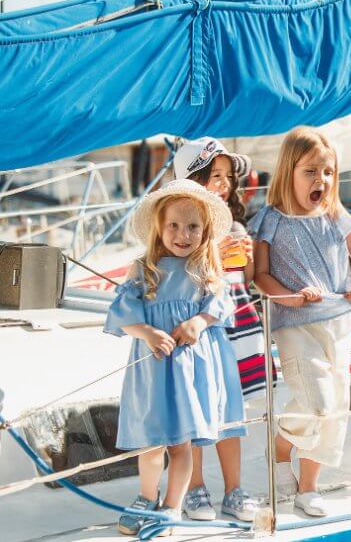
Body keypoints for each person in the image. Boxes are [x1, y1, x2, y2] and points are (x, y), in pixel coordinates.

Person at [250, 126, 351, 516]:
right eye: (310, 171)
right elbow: (260, 275)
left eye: (328, 172)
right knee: (316, 401)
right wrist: (290, 296)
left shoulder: (337, 217)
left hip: (339, 322)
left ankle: (308, 487)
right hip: (294, 324)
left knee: (335, 408)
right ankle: (281, 447)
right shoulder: (270, 219)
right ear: (289, 170)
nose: (320, 179)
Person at [106, 179, 244, 535]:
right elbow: (123, 313)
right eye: (174, 225)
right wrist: (148, 332)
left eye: (193, 227)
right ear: (159, 226)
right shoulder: (144, 269)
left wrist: (199, 321)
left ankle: (172, 506)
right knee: (151, 441)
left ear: (205, 231)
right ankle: (146, 495)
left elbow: (220, 306)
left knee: (181, 443)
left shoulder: (204, 270)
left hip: (188, 372)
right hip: (153, 371)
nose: (184, 235)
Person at [170, 138, 261, 522]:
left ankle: (234, 489)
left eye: (227, 177)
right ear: (193, 179)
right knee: (197, 408)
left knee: (230, 411)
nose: (225, 183)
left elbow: (246, 279)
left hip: (236, 323)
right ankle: (194, 487)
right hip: (201, 328)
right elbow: (179, 278)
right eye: (215, 175)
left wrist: (248, 257)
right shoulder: (182, 228)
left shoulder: (234, 225)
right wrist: (212, 255)